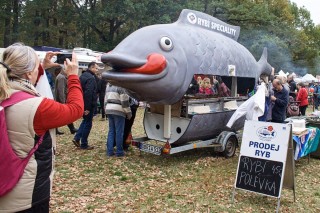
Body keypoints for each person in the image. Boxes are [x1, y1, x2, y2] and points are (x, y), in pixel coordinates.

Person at [0, 43, 83, 212]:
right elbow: (76, 110)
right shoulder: (37, 107)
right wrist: (73, 76)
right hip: (26, 197)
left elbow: (22, 83)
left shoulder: (4, 94)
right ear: (29, 72)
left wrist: (42, 67)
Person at [73, 62, 99, 150]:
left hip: (82, 102)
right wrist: (87, 107)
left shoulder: (82, 76)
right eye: (96, 68)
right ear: (91, 68)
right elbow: (89, 93)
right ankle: (84, 143)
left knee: (85, 121)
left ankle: (77, 138)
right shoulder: (91, 78)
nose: (97, 70)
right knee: (88, 123)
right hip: (88, 105)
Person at [105, 84, 132, 157]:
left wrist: (106, 109)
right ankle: (119, 151)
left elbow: (105, 99)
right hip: (118, 110)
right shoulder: (121, 86)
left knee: (111, 131)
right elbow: (125, 102)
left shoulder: (108, 86)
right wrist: (129, 113)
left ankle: (109, 151)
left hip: (109, 109)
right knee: (119, 132)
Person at [54, 66, 78, 134]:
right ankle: (72, 128)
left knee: (60, 116)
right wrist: (63, 102)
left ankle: (71, 128)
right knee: (66, 115)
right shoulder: (61, 77)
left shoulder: (61, 76)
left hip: (60, 100)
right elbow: (61, 90)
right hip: (61, 100)